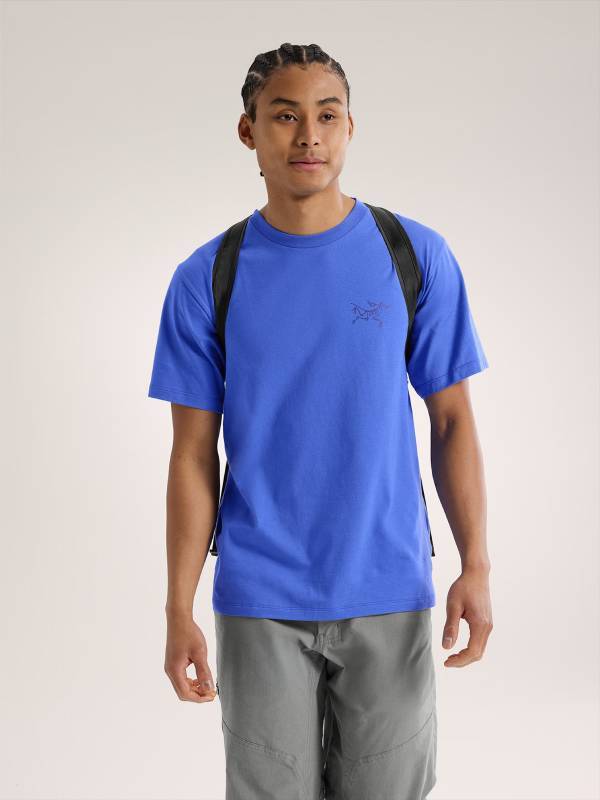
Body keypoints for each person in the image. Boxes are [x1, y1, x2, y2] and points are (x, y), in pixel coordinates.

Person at [147, 42, 493, 800]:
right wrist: (178, 608)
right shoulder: (208, 277)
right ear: (249, 131)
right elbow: (191, 456)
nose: (308, 135)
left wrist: (476, 564)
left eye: (327, 115)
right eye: (285, 116)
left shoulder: (413, 255)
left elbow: (453, 422)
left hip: (388, 584)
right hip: (260, 595)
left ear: (350, 127)